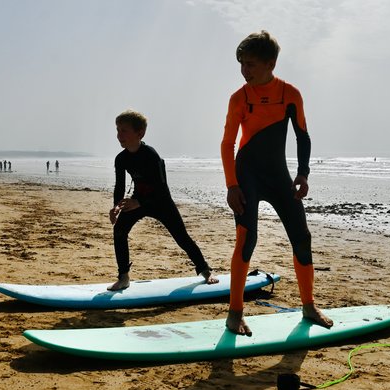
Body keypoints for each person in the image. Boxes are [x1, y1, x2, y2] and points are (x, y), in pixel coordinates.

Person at [221, 31, 333, 336]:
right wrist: (232, 185)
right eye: (242, 64)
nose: (245, 70)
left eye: (251, 64)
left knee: (302, 236)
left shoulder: (290, 94)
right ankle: (234, 313)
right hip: (247, 175)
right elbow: (228, 142)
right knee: (247, 239)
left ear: (271, 63)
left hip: (278, 175)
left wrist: (304, 173)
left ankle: (309, 306)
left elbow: (303, 135)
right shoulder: (239, 98)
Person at [107, 110, 218, 291]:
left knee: (182, 237)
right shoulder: (121, 159)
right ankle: (124, 277)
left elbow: (160, 187)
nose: (119, 135)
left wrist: (139, 202)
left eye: (124, 130)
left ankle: (205, 271)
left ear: (140, 133)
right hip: (138, 200)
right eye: (117, 130)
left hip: (160, 201)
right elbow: (119, 186)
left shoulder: (151, 155)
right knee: (119, 230)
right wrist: (116, 207)